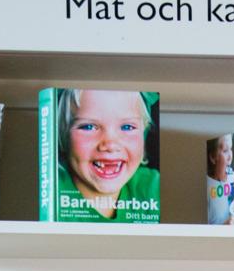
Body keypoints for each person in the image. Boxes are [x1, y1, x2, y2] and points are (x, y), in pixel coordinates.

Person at [52, 88, 160, 222]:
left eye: (127, 127)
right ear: (63, 136)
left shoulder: (153, 187)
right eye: (88, 127)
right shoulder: (51, 195)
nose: (110, 145)